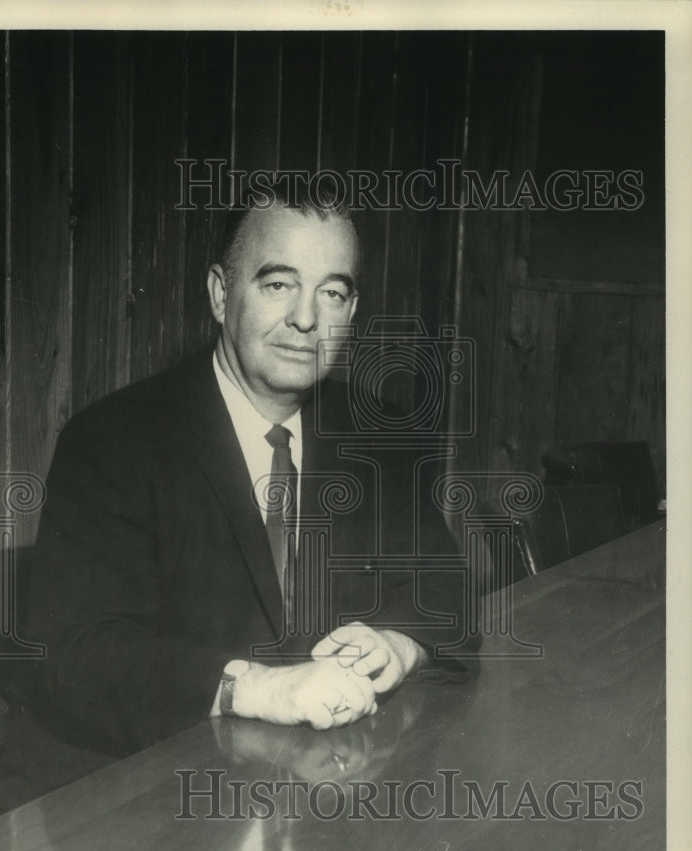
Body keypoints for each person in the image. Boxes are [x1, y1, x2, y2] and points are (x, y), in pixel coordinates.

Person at [29, 186, 465, 756]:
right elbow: (76, 654)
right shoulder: (111, 441)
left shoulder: (381, 434)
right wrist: (259, 688)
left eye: (332, 293)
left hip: (334, 784)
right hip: (162, 788)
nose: (306, 318)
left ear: (351, 312)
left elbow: (445, 589)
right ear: (220, 292)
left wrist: (397, 644)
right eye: (278, 284)